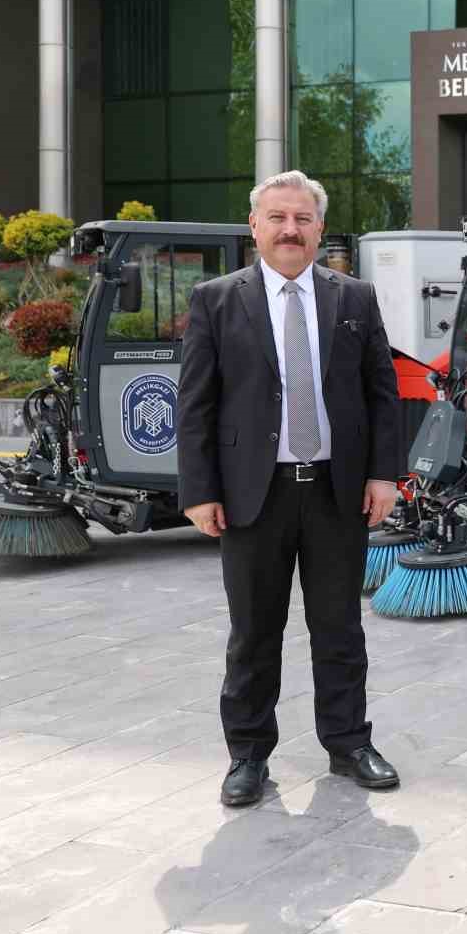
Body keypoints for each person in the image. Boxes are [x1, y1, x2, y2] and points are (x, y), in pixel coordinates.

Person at [177, 170, 401, 807]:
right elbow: (195, 405)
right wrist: (199, 491)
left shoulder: (355, 298)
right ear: (254, 226)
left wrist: (384, 474)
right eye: (277, 218)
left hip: (337, 491)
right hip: (253, 496)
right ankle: (248, 756)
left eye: (302, 219)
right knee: (253, 632)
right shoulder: (216, 300)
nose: (290, 230)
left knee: (340, 628)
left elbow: (382, 393)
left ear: (320, 228)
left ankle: (349, 743)